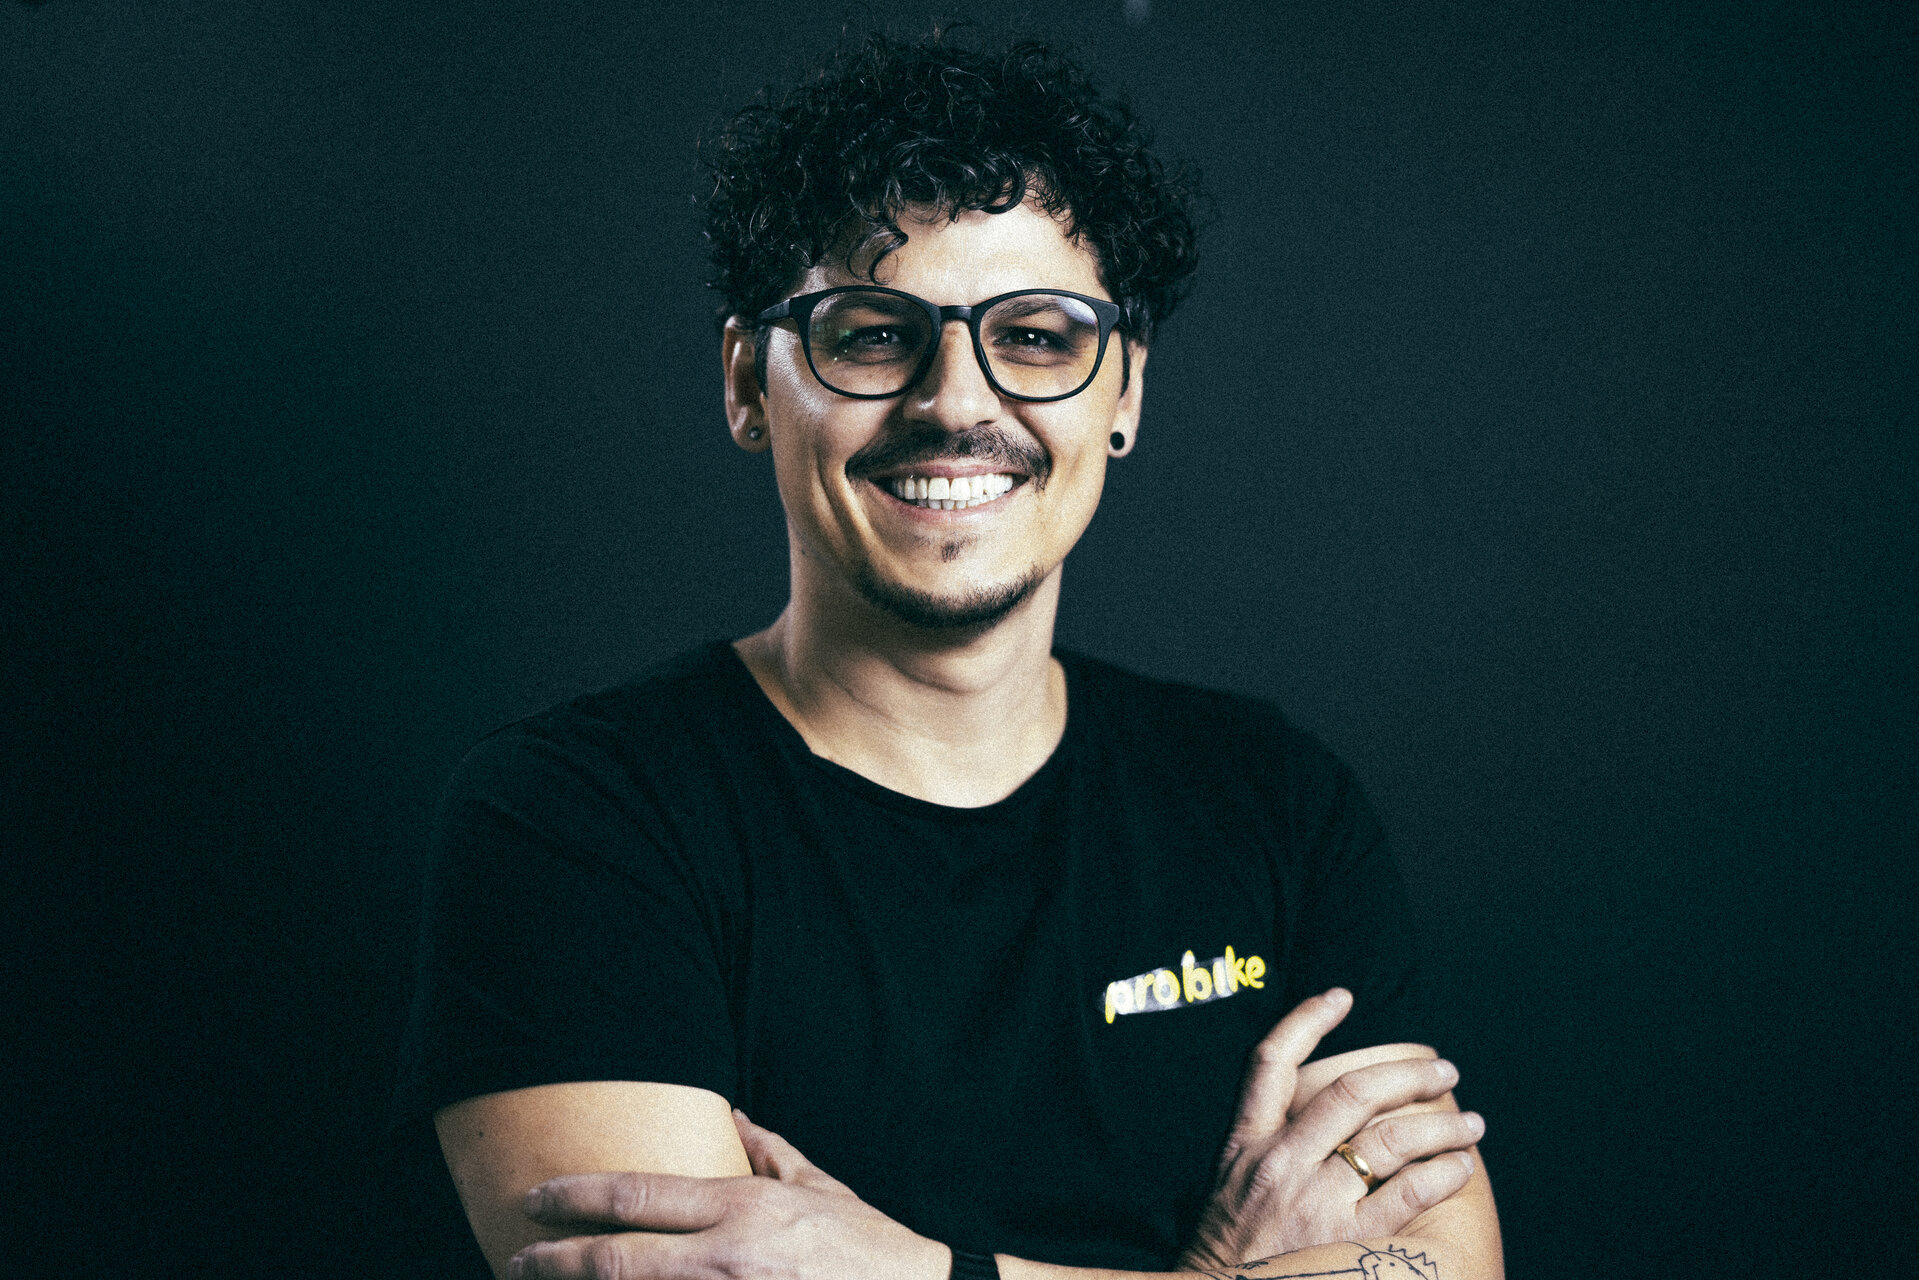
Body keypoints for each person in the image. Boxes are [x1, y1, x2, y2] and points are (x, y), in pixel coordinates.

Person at [395, 30, 1503, 1280]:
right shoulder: (578, 822)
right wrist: (1217, 1271)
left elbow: (1446, 1266)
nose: (957, 401)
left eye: (1035, 335)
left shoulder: (1273, 803)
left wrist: (914, 1273)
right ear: (747, 384)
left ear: (1124, 392)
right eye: (871, 333)